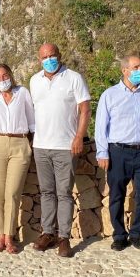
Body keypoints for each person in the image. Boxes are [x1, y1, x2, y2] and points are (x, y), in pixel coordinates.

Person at [29, 44, 91, 258]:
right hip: (41, 146)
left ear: (59, 55)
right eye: (44, 57)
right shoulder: (34, 81)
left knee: (64, 193)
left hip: (66, 146)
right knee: (46, 192)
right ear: (39, 59)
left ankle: (64, 237)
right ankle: (48, 233)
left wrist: (79, 137)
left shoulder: (74, 78)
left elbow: (85, 109)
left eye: (52, 55)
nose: (49, 59)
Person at [95, 54, 140, 251]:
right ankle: (119, 235)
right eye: (135, 67)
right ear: (124, 70)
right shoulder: (110, 94)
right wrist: (102, 152)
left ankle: (137, 233)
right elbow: (101, 125)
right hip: (118, 152)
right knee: (116, 195)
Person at [0, 63, 35, 254]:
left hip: (20, 143)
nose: (2, 79)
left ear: (11, 75)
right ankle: (0, 236)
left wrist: (32, 143)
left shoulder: (23, 93)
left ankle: (9, 237)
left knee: (13, 193)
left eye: (5, 75)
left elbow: (32, 120)